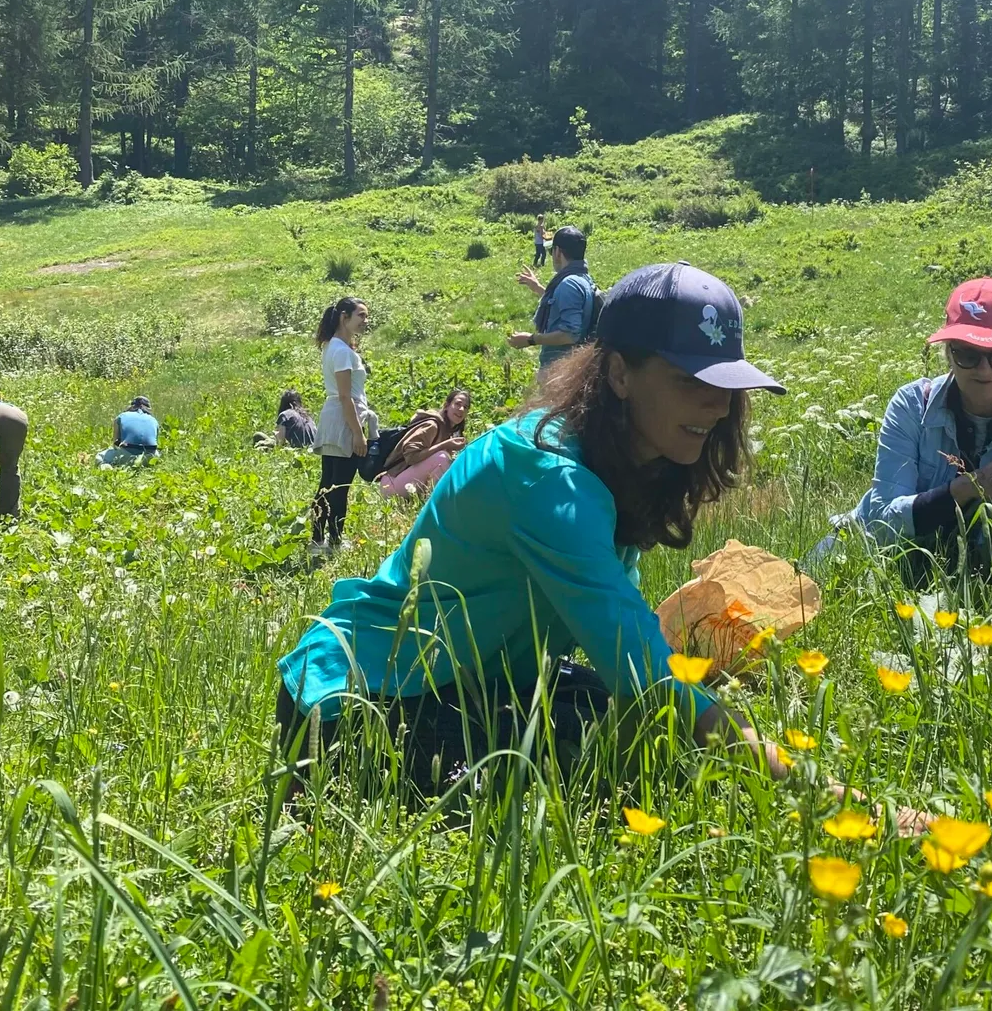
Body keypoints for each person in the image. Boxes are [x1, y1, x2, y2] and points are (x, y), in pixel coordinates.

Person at [276, 262, 793, 802]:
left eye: (728, 385)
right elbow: (644, 670)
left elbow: (626, 640)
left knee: (623, 728)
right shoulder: (549, 479)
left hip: (472, 681)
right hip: (363, 698)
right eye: (692, 381)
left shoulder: (611, 459)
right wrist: (813, 788)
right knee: (591, 756)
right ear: (619, 374)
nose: (718, 406)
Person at [833, 278, 992, 589]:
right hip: (870, 553)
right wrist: (966, 489)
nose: (983, 371)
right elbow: (880, 526)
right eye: (968, 355)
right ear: (948, 353)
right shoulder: (911, 406)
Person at [311, 297, 375, 558]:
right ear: (344, 317)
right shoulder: (341, 351)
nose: (365, 321)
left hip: (334, 416)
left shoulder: (334, 347)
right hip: (344, 419)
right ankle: (334, 540)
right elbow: (346, 396)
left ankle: (318, 540)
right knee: (340, 484)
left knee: (328, 482)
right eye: (361, 315)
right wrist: (358, 434)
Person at [511, 225, 596, 382]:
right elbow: (564, 304)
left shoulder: (569, 284)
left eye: (552, 252)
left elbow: (570, 334)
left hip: (560, 373)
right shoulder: (582, 279)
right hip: (571, 369)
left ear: (557, 252)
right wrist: (538, 288)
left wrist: (531, 339)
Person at [377, 389, 472, 499]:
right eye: (457, 404)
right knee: (442, 458)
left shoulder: (447, 431)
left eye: (465, 407)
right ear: (446, 405)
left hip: (405, 481)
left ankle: (431, 502)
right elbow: (411, 457)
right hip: (392, 483)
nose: (461, 409)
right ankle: (430, 504)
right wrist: (445, 445)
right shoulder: (432, 425)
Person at [97, 395, 159, 466]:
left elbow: (115, 444)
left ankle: (107, 469)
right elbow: (155, 443)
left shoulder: (121, 416)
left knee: (100, 457)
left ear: (132, 406)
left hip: (127, 456)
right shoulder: (154, 420)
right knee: (156, 453)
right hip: (149, 458)